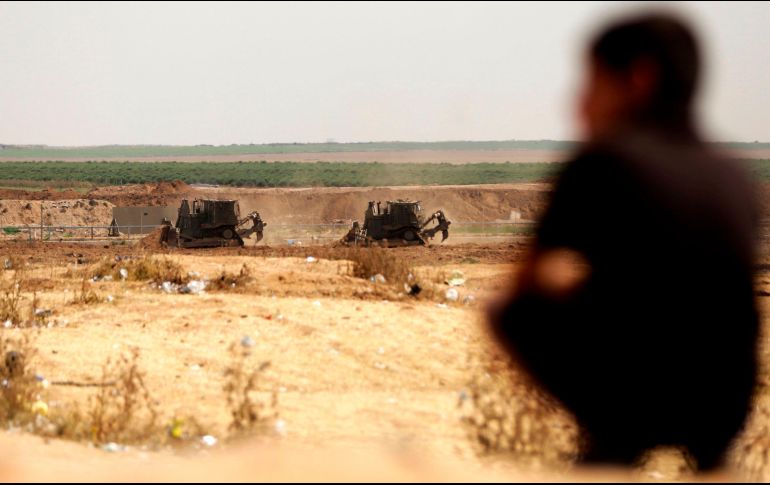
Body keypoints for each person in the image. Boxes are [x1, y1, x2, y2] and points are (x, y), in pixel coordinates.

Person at [489, 12, 760, 470]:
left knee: (512, 310)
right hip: (727, 401)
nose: (580, 102)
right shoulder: (736, 175)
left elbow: (525, 279)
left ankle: (610, 441)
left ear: (639, 79)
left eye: (593, 83)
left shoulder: (604, 163)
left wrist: (575, 287)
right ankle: (712, 463)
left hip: (635, 393)